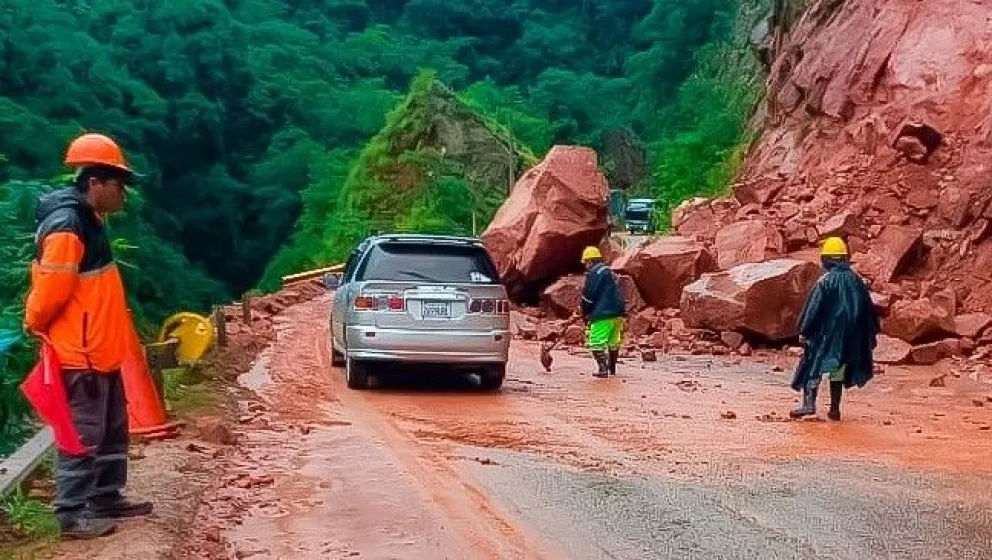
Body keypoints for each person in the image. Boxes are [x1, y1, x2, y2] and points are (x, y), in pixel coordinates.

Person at [23, 133, 152, 539]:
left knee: (112, 428)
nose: (124, 195)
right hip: (81, 353)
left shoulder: (89, 220)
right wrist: (37, 324)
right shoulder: (67, 226)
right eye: (119, 185)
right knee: (83, 432)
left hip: (101, 350)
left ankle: (106, 495)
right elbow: (50, 293)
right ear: (95, 182)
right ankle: (71, 513)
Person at [790, 237, 880, 420]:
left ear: (827, 259)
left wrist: (804, 331)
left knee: (811, 366)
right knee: (837, 369)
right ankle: (835, 409)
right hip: (851, 336)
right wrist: (868, 335)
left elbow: (813, 309)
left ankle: (808, 405)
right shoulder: (857, 281)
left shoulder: (825, 281)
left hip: (827, 334)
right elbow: (868, 310)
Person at [579, 246, 626, 378]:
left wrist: (585, 312)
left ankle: (602, 369)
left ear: (589, 261)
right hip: (618, 312)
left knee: (596, 342)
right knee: (613, 341)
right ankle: (612, 369)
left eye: (586, 263)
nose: (586, 266)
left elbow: (588, 295)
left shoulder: (594, 273)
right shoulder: (608, 271)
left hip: (603, 313)